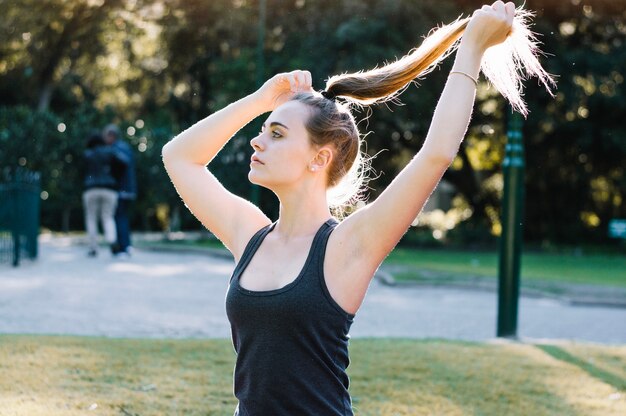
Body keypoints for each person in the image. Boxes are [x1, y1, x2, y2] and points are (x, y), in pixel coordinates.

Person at [162, 2, 553, 414]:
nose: (257, 143)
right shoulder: (251, 235)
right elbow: (179, 157)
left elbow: (435, 154)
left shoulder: (348, 246)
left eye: (276, 134)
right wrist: (261, 101)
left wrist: (471, 49)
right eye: (263, 132)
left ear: (320, 158)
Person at [82, 131, 128, 257]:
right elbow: (124, 162)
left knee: (91, 218)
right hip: (109, 188)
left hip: (90, 188)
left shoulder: (87, 155)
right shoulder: (110, 152)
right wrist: (115, 176)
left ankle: (93, 247)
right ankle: (112, 241)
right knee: (108, 217)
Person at [103, 124, 137, 257]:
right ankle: (127, 245)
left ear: (111, 136)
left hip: (121, 190)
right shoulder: (125, 147)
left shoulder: (116, 149)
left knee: (119, 218)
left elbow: (124, 163)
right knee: (123, 218)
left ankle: (123, 247)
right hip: (128, 189)